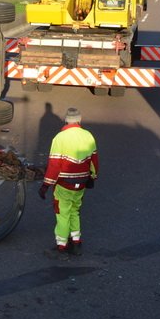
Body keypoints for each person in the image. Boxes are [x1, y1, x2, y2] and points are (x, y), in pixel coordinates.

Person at [38, 107, 98, 255]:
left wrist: (46, 185)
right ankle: (76, 241)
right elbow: (94, 161)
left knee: (62, 213)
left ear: (66, 120)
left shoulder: (60, 138)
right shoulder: (88, 136)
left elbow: (54, 165)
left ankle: (62, 245)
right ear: (80, 120)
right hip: (81, 182)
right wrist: (92, 177)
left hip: (65, 183)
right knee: (75, 211)